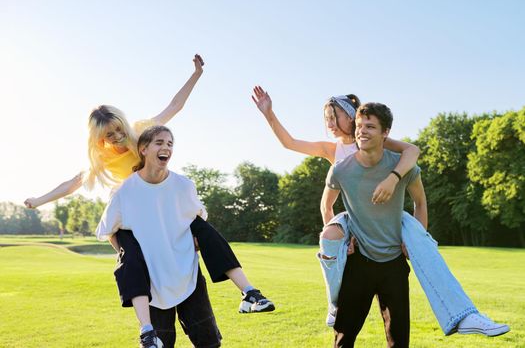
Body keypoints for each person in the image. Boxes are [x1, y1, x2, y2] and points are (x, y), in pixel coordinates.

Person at [24, 56, 273, 345]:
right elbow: (72, 184)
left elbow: (174, 107)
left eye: (119, 129)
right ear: (99, 139)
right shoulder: (102, 158)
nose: (118, 137)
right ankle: (147, 330)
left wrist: (196, 74)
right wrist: (39, 200)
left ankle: (248, 292)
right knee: (130, 256)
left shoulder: (143, 131)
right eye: (109, 135)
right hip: (134, 211)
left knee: (202, 228)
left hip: (163, 202)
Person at [252, 86, 509, 337]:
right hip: (354, 219)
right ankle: (334, 302)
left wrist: (394, 178)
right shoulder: (334, 153)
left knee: (421, 240)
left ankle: (463, 315)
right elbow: (290, 144)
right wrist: (268, 113)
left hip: (390, 219)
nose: (329, 123)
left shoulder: (377, 138)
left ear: (352, 116)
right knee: (329, 236)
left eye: (334, 117)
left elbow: (413, 151)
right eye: (326, 119)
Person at [96, 126, 221, 348]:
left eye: (170, 143)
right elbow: (108, 231)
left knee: (208, 343)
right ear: (143, 149)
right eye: (159, 142)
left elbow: (198, 223)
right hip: (152, 286)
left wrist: (190, 246)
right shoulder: (125, 191)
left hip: (188, 277)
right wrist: (134, 259)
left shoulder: (183, 186)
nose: (166, 148)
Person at [324, 102, 421, 346]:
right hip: (358, 264)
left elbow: (420, 202)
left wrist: (416, 241)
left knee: (399, 341)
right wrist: (340, 244)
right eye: (358, 126)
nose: (361, 131)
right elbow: (326, 206)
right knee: (343, 339)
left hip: (394, 265)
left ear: (385, 132)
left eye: (370, 126)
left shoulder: (403, 166)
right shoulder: (340, 170)